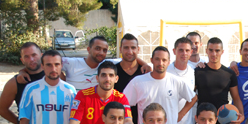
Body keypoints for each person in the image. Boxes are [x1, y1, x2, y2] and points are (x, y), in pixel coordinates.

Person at [16, 35, 151, 93]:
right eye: (97, 48)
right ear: (88, 49)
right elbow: (48, 61)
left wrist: (144, 63)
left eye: (104, 50)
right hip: (74, 112)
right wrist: (23, 71)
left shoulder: (107, 64)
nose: (101, 52)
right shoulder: (71, 62)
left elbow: (128, 58)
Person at [123, 46, 197, 124]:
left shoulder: (176, 81)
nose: (160, 63)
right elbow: (124, 102)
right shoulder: (138, 82)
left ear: (169, 62)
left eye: (164, 60)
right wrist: (128, 120)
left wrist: (180, 115)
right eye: (157, 59)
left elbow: (193, 98)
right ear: (151, 60)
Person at [115, 33, 144, 123]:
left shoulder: (145, 72)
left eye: (133, 48)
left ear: (138, 49)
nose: (130, 51)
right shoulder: (113, 72)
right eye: (126, 47)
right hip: (117, 123)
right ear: (120, 49)